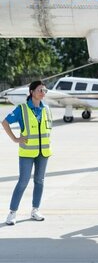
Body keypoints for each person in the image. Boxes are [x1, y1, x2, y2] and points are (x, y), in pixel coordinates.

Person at [2, 80, 53, 225]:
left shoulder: (46, 109)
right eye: (40, 90)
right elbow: (5, 123)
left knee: (39, 181)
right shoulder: (22, 109)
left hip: (43, 152)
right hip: (27, 153)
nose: (43, 93)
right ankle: (12, 213)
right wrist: (15, 139)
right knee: (23, 181)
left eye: (44, 90)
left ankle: (35, 210)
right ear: (31, 92)